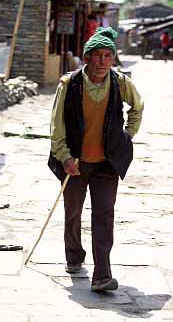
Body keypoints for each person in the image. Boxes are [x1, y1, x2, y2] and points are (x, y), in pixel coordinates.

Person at [49, 27, 144, 292]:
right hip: (75, 163)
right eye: (97, 56)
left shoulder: (120, 82)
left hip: (106, 164)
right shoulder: (69, 85)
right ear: (87, 58)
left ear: (113, 58)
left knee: (104, 213)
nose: (103, 62)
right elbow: (56, 126)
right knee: (73, 213)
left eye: (108, 56)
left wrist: (127, 135)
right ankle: (74, 257)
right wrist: (65, 157)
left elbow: (138, 106)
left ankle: (102, 274)